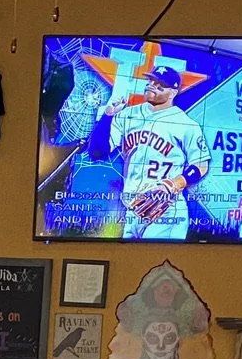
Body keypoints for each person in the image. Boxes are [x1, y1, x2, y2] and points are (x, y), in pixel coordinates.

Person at [87, 60, 209, 242]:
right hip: (133, 210)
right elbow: (97, 151)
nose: (152, 86)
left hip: (167, 212)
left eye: (160, 86)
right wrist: (108, 116)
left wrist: (173, 184)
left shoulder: (186, 124)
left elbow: (200, 165)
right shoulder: (127, 115)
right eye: (151, 82)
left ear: (173, 93)